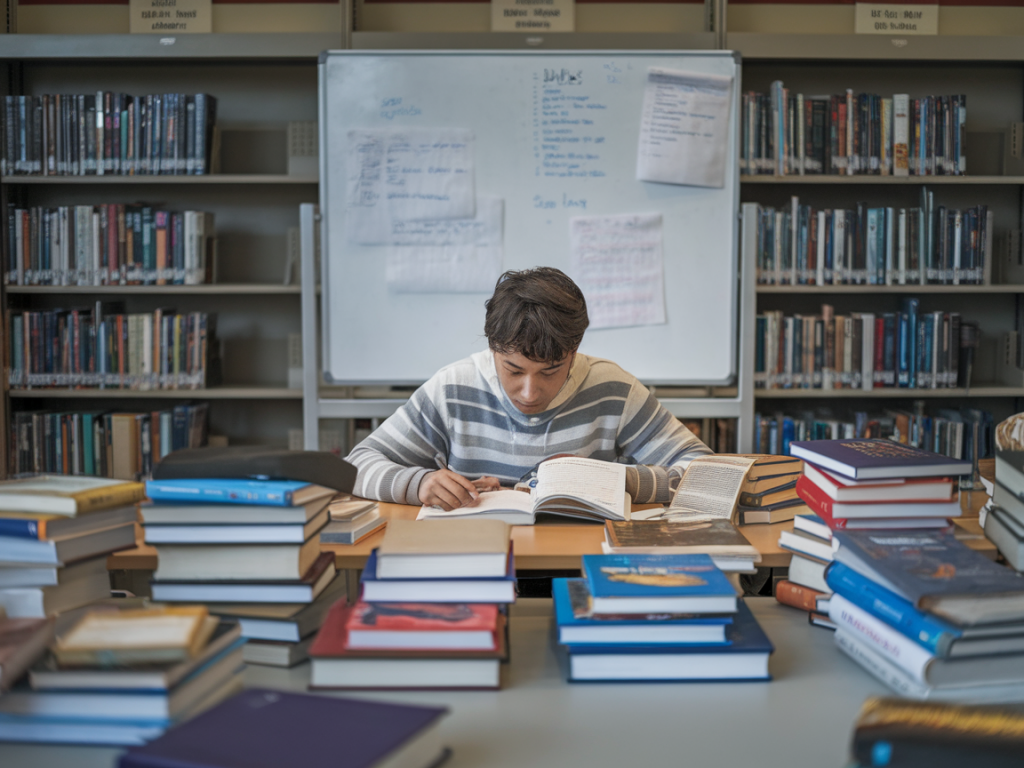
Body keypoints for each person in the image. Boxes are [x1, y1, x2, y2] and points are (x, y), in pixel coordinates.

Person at [346, 267, 712, 510]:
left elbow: (708, 473)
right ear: (492, 349)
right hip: (476, 559)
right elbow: (356, 466)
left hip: (576, 562)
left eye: (551, 371)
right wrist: (419, 483)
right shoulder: (453, 388)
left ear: (574, 351)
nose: (529, 392)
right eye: (513, 369)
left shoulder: (613, 389)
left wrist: (615, 481)